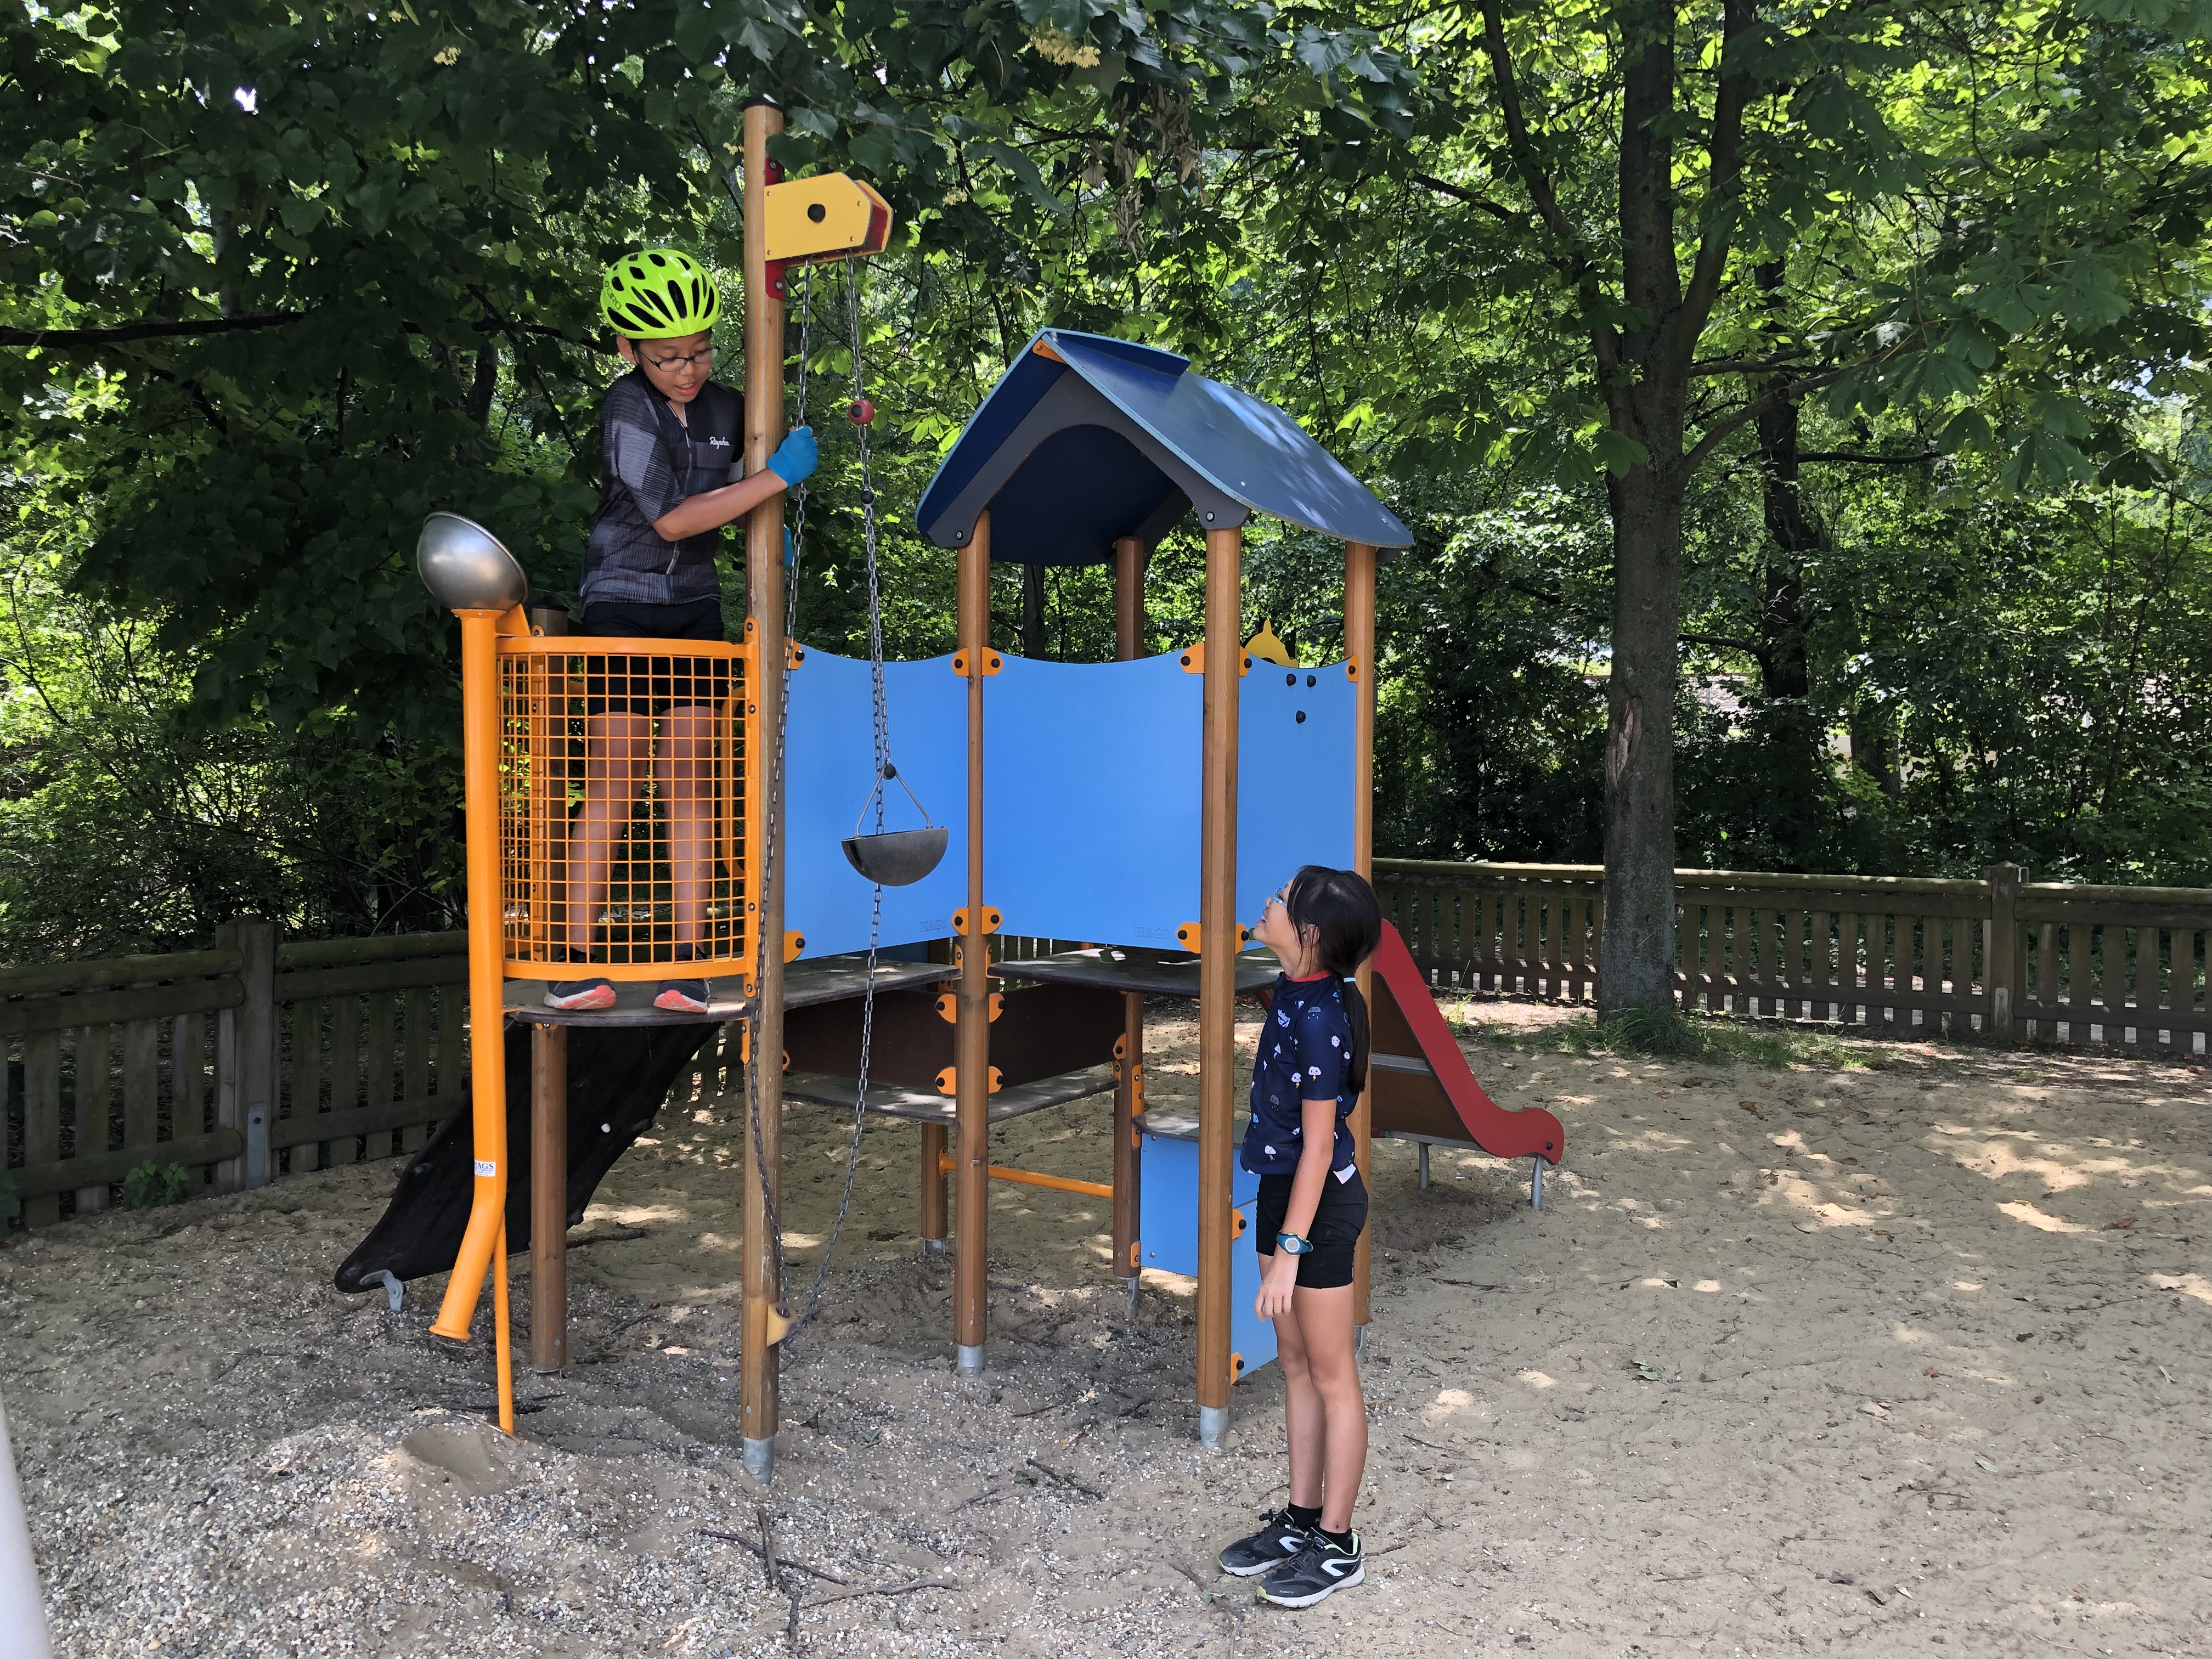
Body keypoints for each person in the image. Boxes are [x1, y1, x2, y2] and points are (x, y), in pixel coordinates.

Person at [546, 248, 817, 1013]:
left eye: (699, 350)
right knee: (616, 779)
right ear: (630, 350)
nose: (688, 369)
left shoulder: (731, 407)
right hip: (623, 602)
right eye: (667, 357)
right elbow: (669, 519)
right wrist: (773, 481)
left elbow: (730, 488)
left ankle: (689, 965)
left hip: (695, 604)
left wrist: (765, 516)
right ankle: (575, 961)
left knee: (691, 785)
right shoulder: (626, 406)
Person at [1217, 864, 1383, 1607]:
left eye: (1282, 901)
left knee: (1330, 1372)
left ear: (1309, 934)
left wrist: (1289, 1252)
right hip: (1284, 1190)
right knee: (1294, 1363)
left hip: (1320, 1203)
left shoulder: (1321, 1016)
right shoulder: (1296, 987)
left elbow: (1320, 1145)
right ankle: (1301, 1520)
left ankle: (1339, 1545)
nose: (1268, 902)